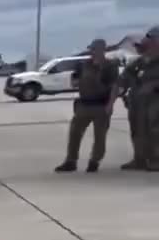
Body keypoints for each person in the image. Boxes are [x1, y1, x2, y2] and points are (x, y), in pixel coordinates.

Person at [55, 39, 119, 173]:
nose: (92, 51)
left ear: (102, 50)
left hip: (101, 105)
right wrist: (77, 80)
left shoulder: (110, 66)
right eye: (91, 49)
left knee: (99, 136)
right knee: (74, 133)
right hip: (84, 104)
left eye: (95, 49)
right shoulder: (83, 65)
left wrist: (110, 104)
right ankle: (71, 161)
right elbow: (74, 81)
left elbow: (114, 86)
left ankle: (94, 161)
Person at [114, 26, 159, 171]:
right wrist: (119, 90)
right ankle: (139, 159)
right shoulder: (139, 63)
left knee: (154, 131)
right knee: (137, 130)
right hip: (136, 103)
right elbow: (123, 79)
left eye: (150, 41)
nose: (145, 45)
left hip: (155, 102)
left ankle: (155, 160)